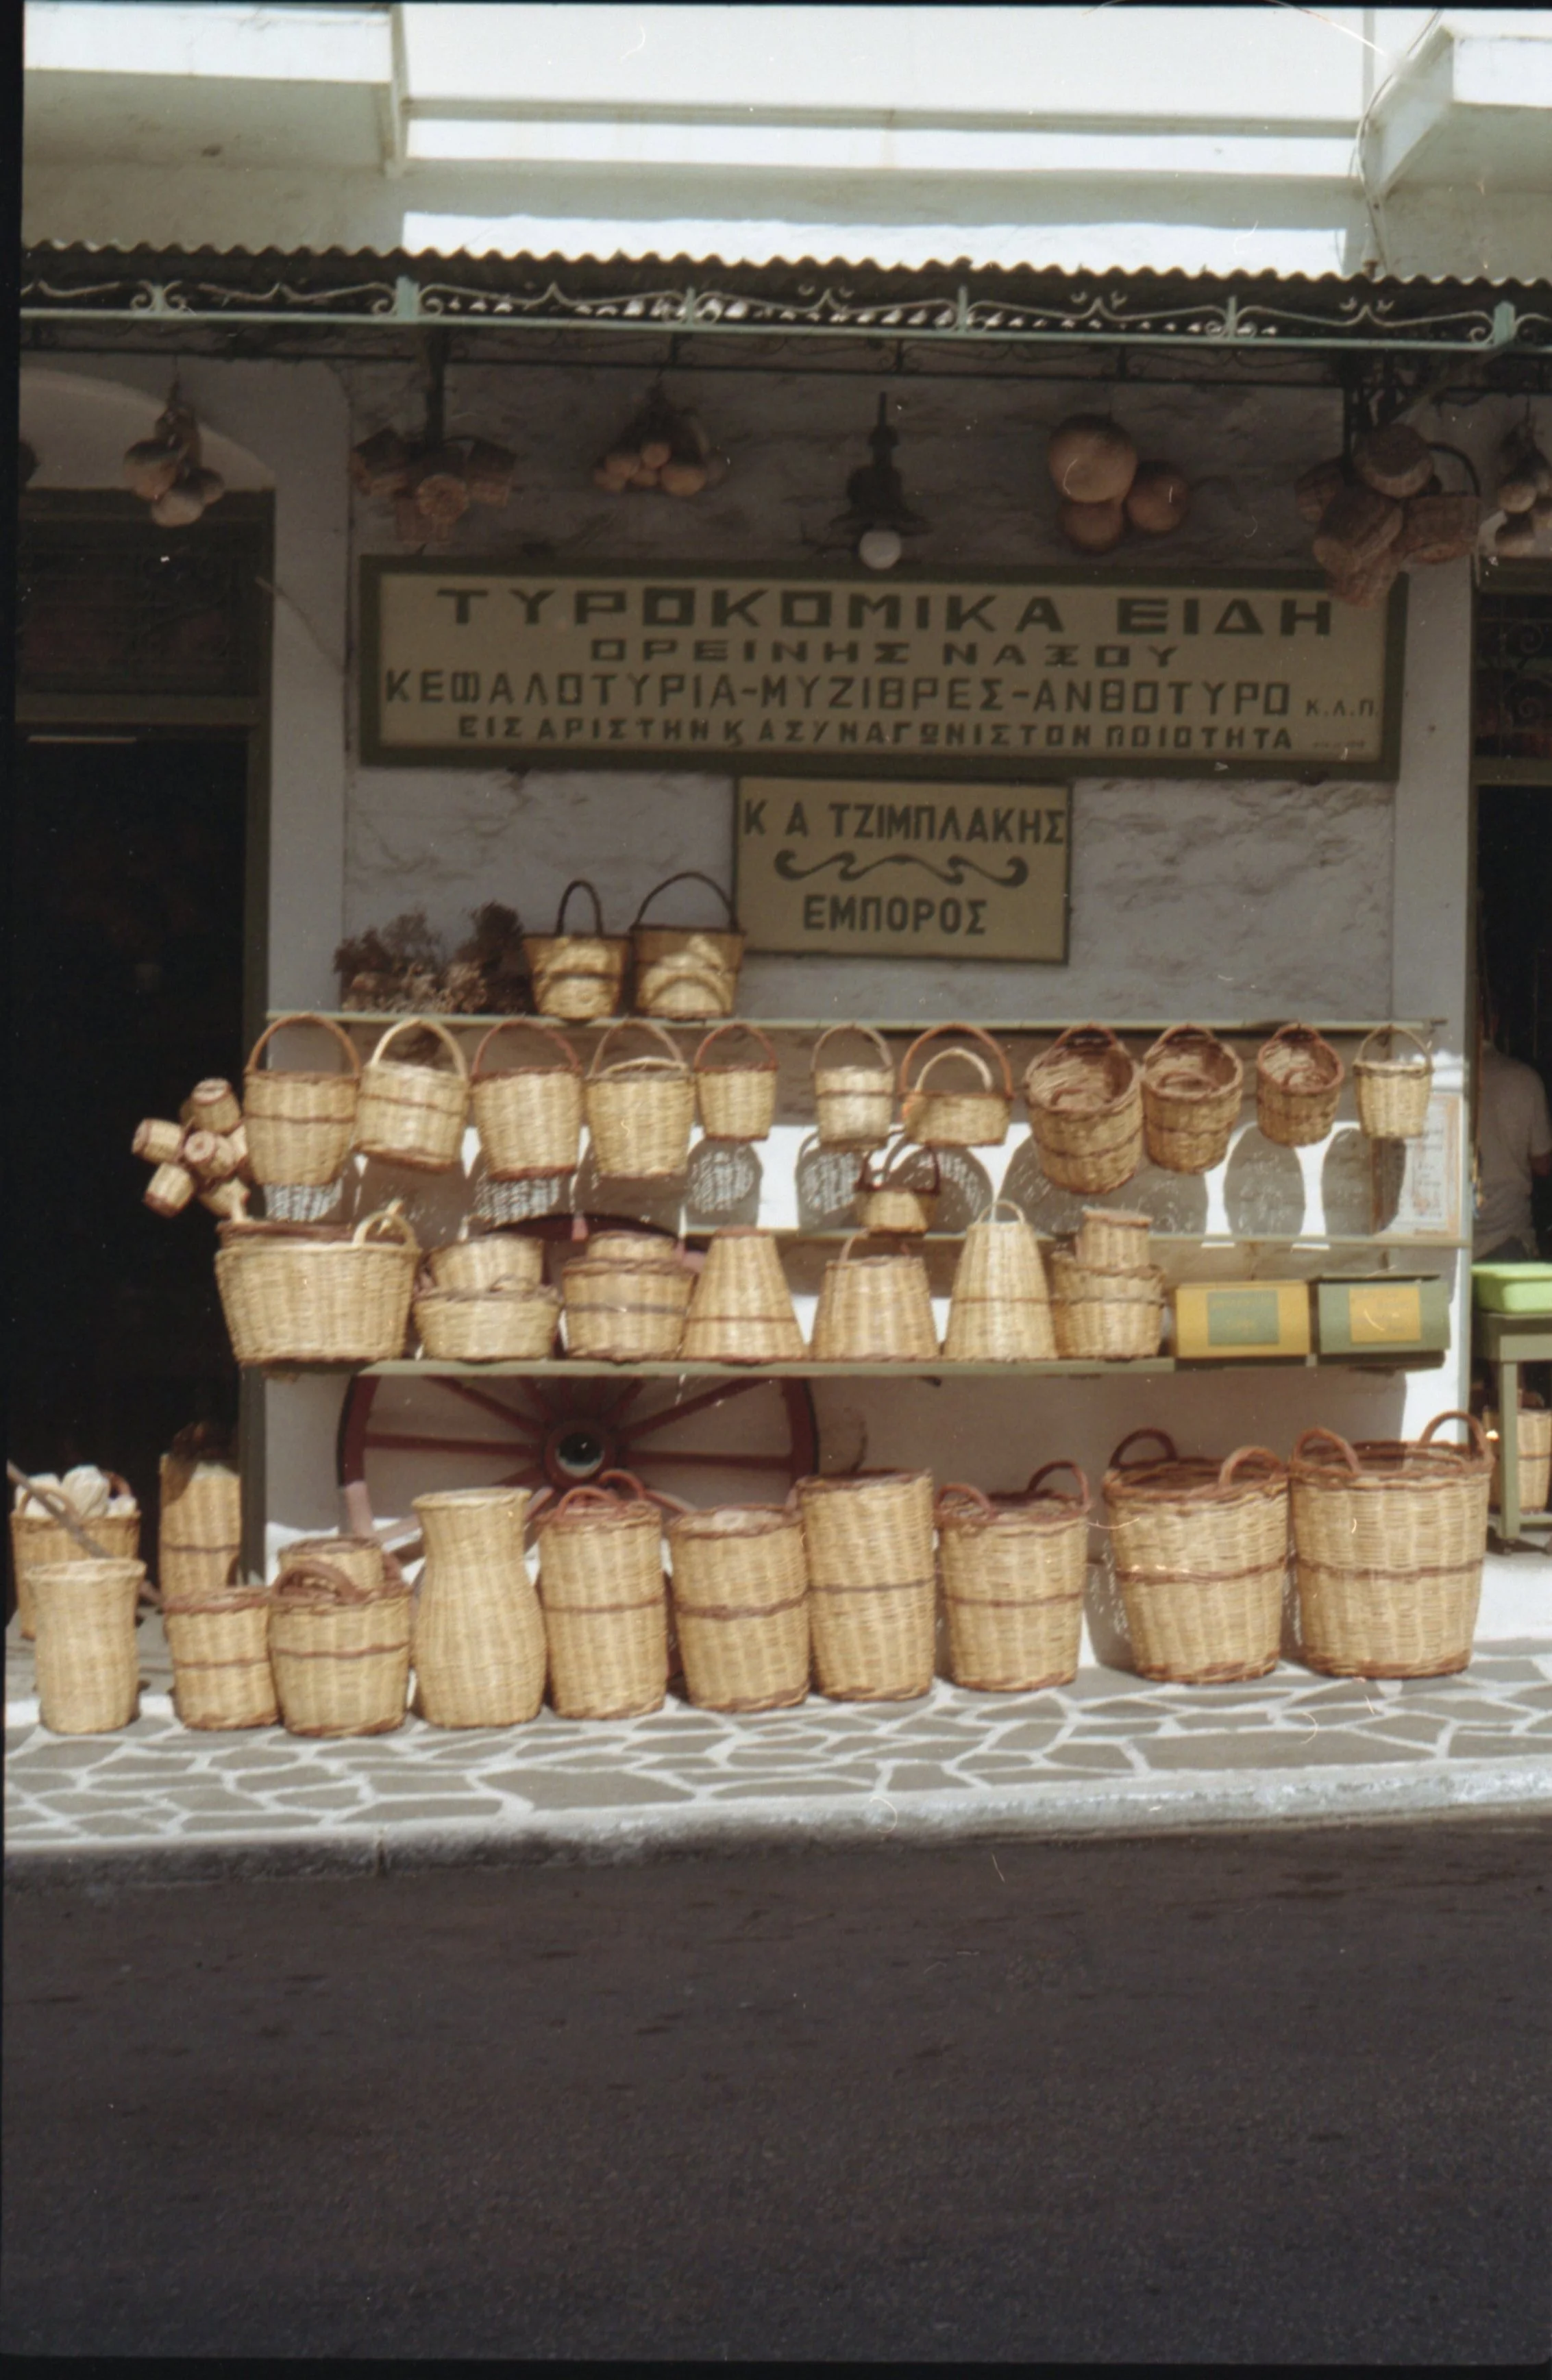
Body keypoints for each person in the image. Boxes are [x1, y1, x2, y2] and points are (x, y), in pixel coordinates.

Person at [1474, 1035, 1552, 1261]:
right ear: (1495, 1021)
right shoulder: (1524, 1080)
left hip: (1445, 1242)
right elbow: (1543, 1164)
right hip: (1507, 1240)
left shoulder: (1436, 1078)